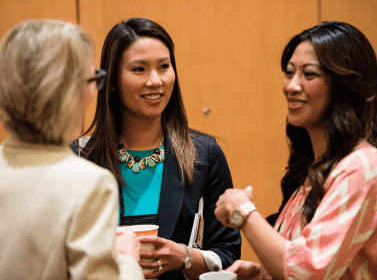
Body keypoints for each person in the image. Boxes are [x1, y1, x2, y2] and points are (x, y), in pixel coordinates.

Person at [214, 21, 377, 279]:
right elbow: (306, 258)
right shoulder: (317, 166)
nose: (291, 86)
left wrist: (243, 212)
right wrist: (262, 272)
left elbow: (309, 271)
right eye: (289, 73)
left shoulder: (362, 165)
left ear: (344, 85)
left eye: (308, 74)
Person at [72, 17, 241, 280]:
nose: (155, 81)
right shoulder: (79, 157)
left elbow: (228, 253)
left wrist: (183, 257)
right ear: (113, 80)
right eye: (139, 69)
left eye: (164, 66)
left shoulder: (205, 154)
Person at [0, 20, 143, 280]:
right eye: (92, 79)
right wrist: (127, 261)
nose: (92, 91)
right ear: (63, 91)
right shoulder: (87, 185)